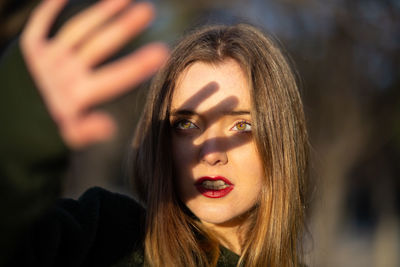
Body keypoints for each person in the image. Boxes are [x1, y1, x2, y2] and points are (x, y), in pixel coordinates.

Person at [0, 0, 309, 266]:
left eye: (242, 125)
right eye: (186, 124)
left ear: (280, 140)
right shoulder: (106, 241)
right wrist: (19, 141)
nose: (211, 153)